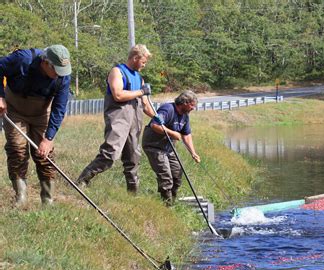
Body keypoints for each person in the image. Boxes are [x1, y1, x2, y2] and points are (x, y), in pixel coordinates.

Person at [76, 44, 155, 193]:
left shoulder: (139, 78)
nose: (144, 65)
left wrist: (157, 118)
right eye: (143, 62)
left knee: (133, 157)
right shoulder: (117, 72)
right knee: (110, 153)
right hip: (119, 118)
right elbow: (118, 95)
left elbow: (145, 105)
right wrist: (140, 91)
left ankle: (132, 193)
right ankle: (82, 180)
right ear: (135, 57)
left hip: (135, 122)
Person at [0, 45, 72, 206]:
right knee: (17, 149)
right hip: (14, 110)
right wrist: (0, 96)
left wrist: (49, 138)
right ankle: (21, 197)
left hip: (41, 113)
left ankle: (47, 199)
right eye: (56, 70)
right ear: (45, 63)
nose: (59, 75)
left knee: (45, 154)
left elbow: (59, 108)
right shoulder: (22, 59)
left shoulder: (63, 76)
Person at [142, 90, 200, 205]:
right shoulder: (168, 109)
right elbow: (155, 125)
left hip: (168, 149)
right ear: (184, 102)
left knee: (177, 174)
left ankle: (172, 201)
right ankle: (166, 205)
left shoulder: (185, 116)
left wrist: (193, 153)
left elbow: (186, 135)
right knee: (166, 177)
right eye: (192, 105)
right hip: (154, 146)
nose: (193, 108)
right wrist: (172, 133)